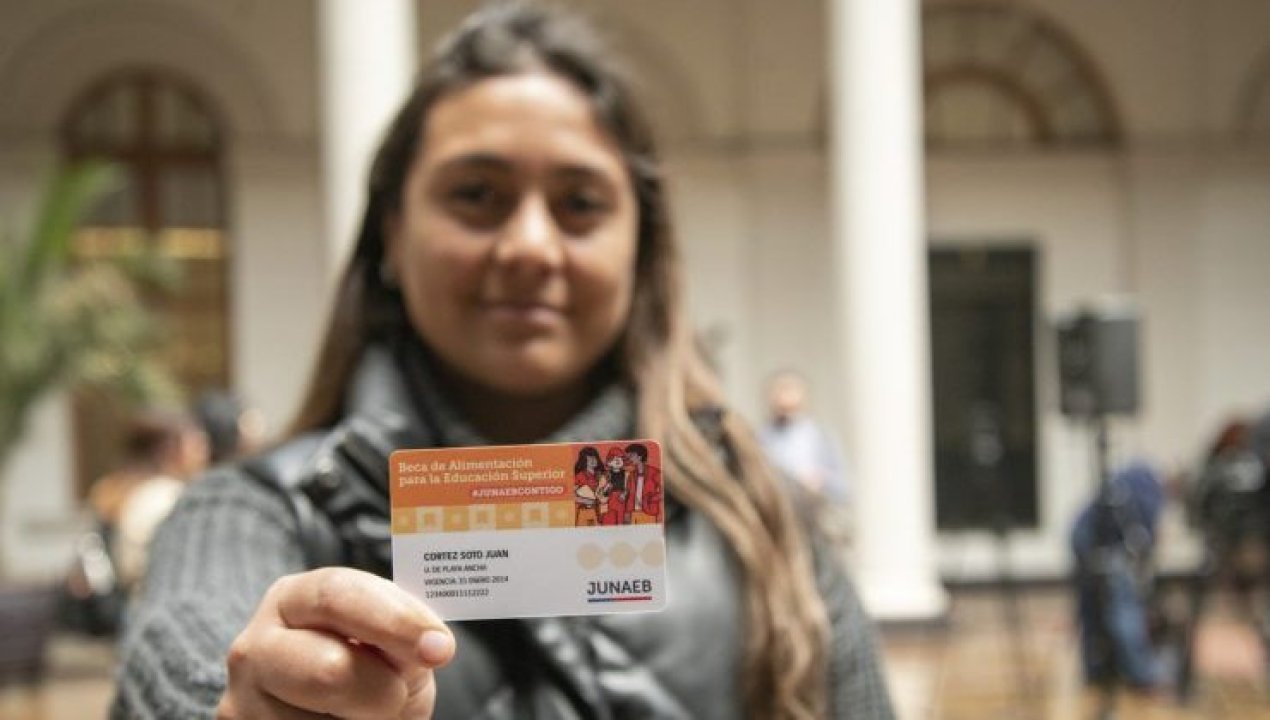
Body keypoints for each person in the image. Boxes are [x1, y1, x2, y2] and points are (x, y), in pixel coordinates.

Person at [112, 4, 894, 719]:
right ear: (392, 232)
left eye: (580, 204)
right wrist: (236, 704)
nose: (529, 246)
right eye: (477, 195)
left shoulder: (763, 521)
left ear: (641, 250)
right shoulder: (257, 511)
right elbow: (185, 649)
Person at [760, 369, 848, 503]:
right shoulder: (762, 439)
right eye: (779, 391)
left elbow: (843, 487)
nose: (783, 397)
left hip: (811, 510)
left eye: (789, 390)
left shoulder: (820, 437)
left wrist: (821, 480)